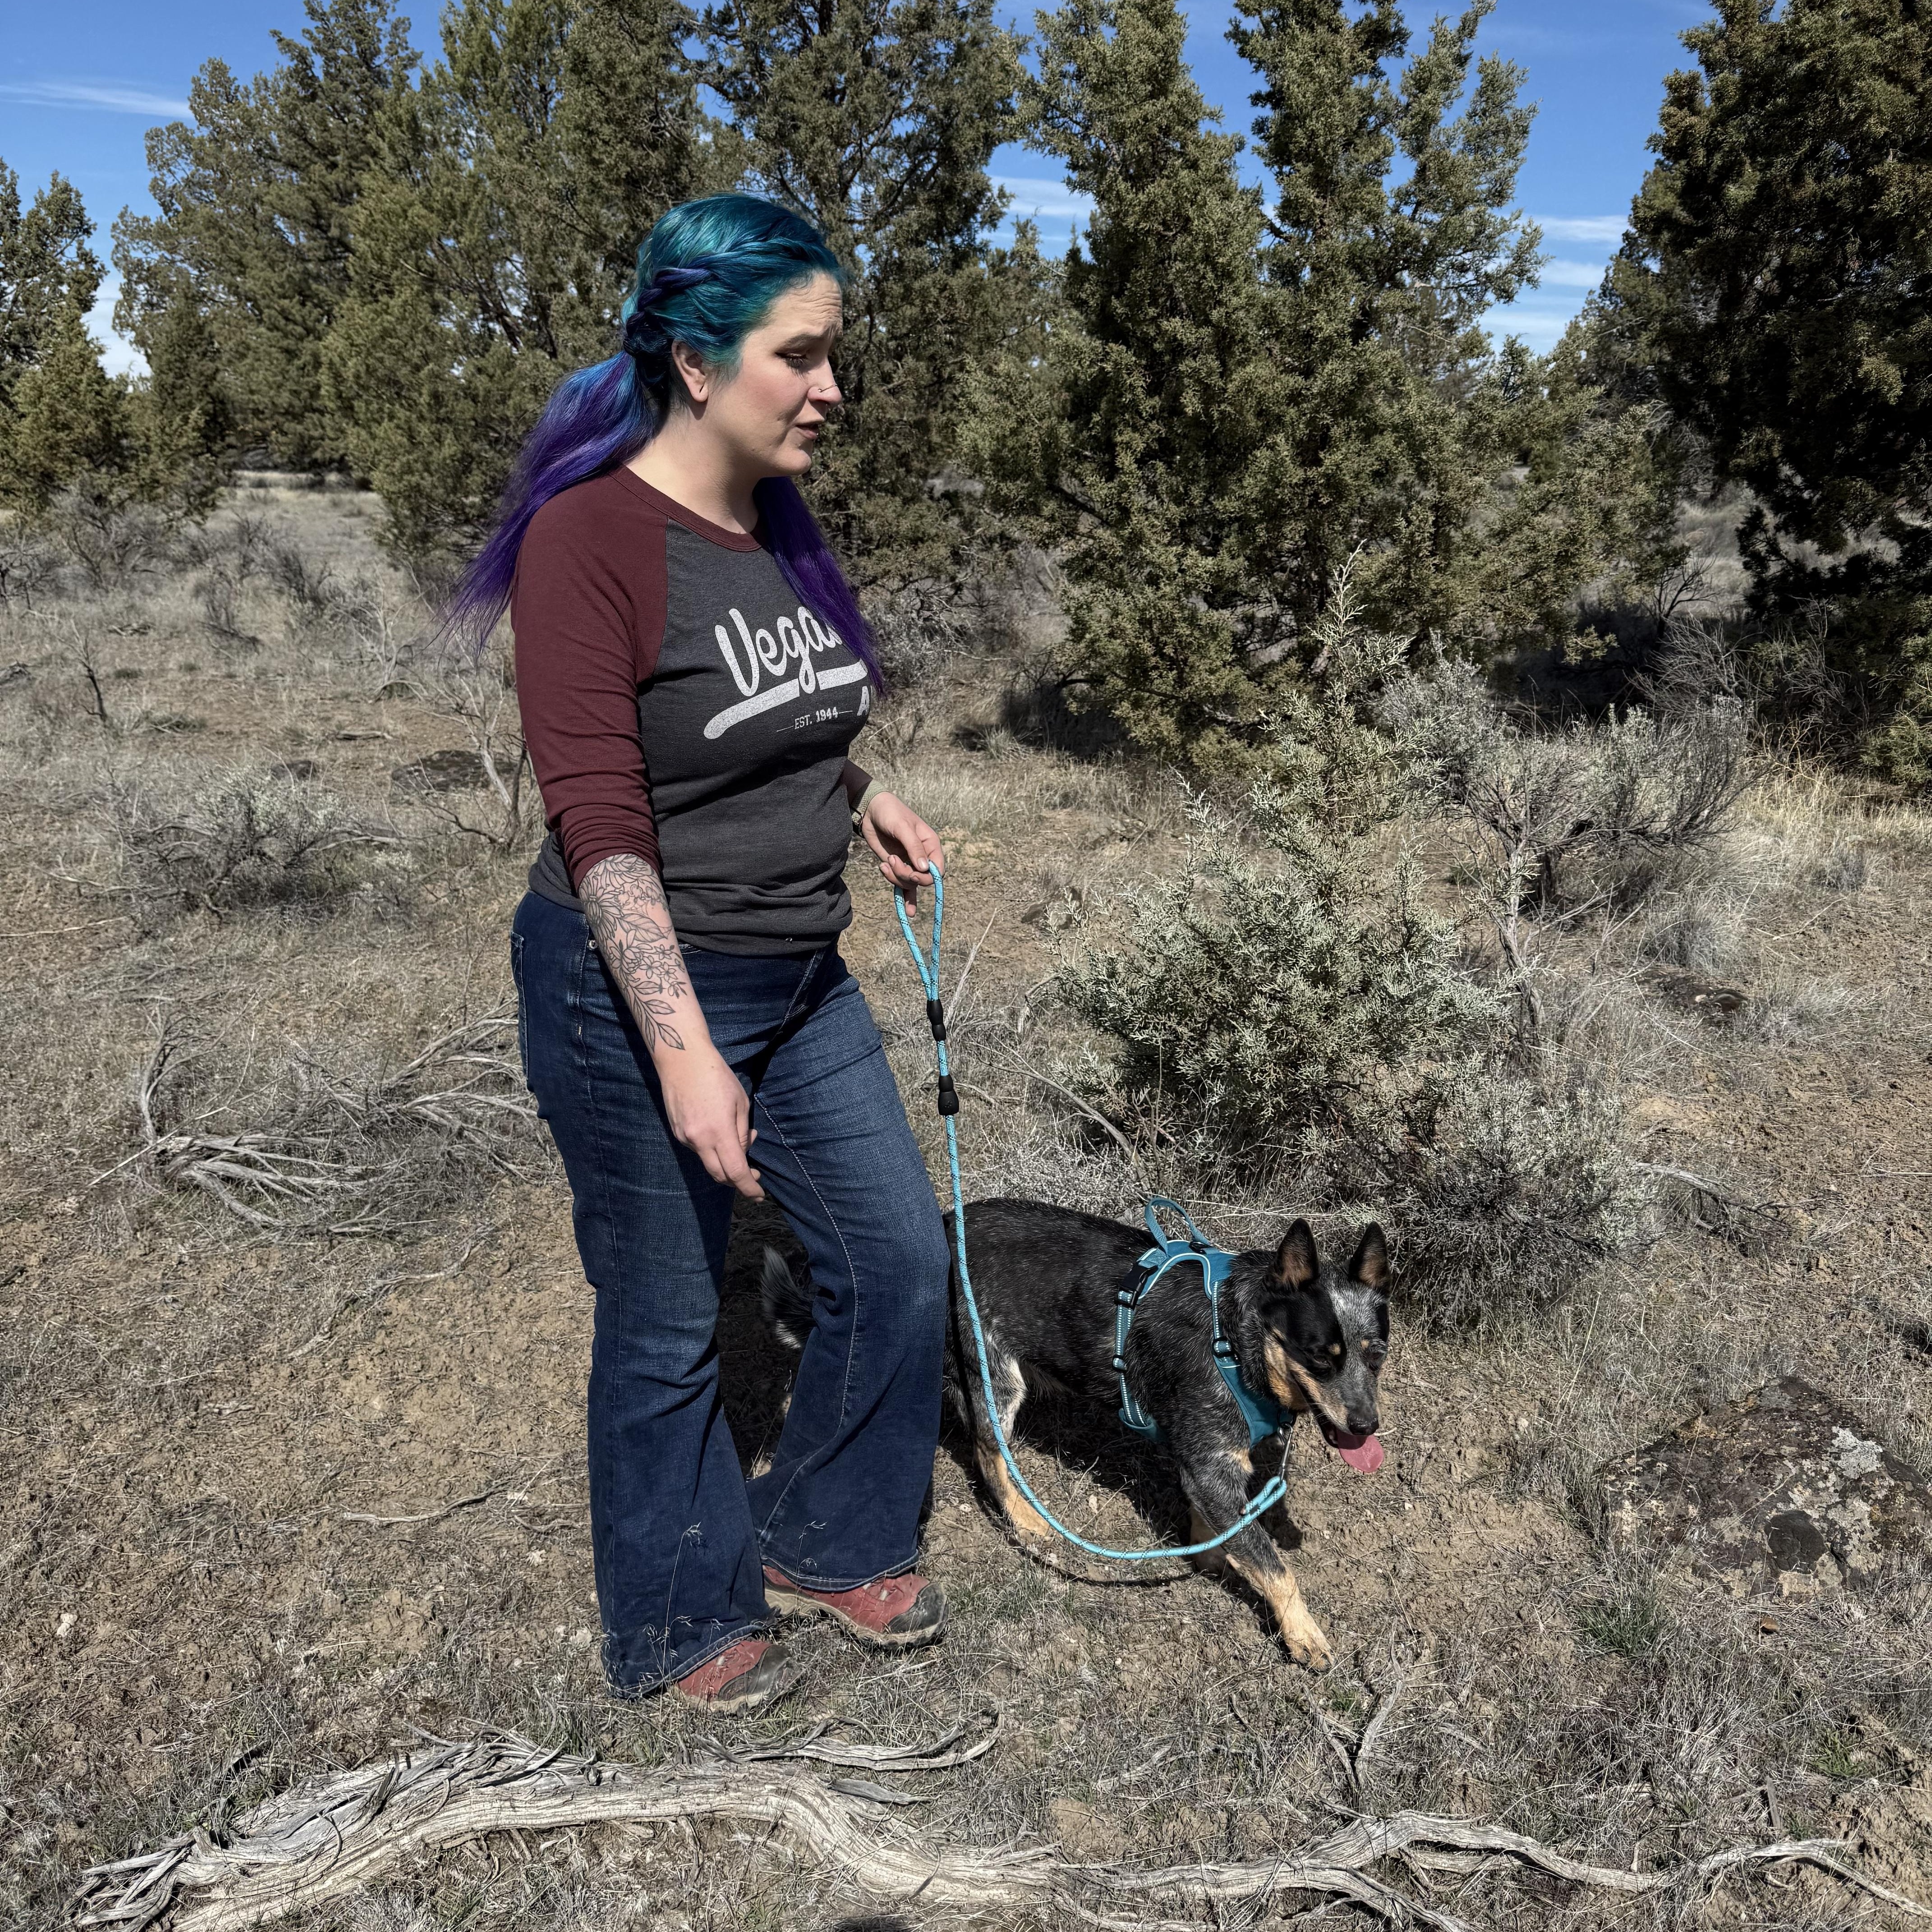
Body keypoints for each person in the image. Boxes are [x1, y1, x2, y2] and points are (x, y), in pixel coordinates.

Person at [444, 194, 952, 1713]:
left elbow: (778, 714)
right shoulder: (589, 538)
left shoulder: (773, 519)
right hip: (633, 989)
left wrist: (866, 789)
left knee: (897, 1257)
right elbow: (601, 819)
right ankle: (674, 1621)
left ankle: (824, 1533)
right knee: (668, 1320)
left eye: (830, 354)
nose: (829, 388)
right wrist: (679, 1047)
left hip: (801, 974)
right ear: (693, 357)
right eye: (799, 355)